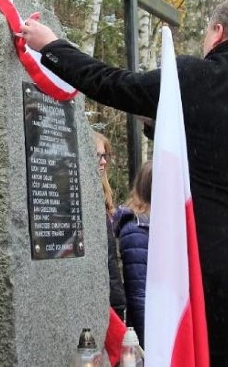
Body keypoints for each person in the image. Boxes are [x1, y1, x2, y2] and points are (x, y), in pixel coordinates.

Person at [20, 0, 228, 367]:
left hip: (212, 268)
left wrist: (51, 46)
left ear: (218, 32)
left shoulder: (192, 78)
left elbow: (110, 82)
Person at [113, 160, 152, 348]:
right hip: (152, 333)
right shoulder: (136, 229)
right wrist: (151, 341)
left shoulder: (162, 223)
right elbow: (139, 294)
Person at [94, 131, 126, 321]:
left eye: (105, 155)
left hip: (112, 295)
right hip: (106, 297)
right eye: (98, 155)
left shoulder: (104, 198)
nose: (104, 161)